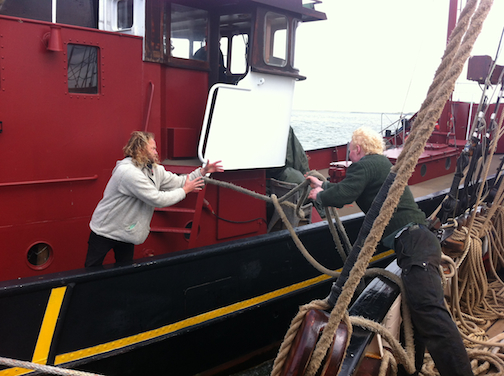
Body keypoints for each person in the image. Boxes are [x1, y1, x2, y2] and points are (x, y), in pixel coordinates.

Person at [306, 126, 473, 376]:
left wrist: (319, 195)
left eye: (350, 148)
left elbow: (345, 195)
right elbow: (351, 188)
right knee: (424, 314)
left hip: (414, 244)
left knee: (431, 317)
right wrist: (325, 184)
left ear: (357, 148)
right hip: (419, 242)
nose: (349, 153)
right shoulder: (381, 165)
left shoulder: (363, 165)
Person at [85, 131, 224, 267]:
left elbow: (178, 182)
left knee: (124, 271)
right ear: (140, 150)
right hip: (105, 231)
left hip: (126, 232)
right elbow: (157, 199)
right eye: (152, 148)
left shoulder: (154, 170)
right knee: (91, 271)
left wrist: (202, 172)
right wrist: (185, 191)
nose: (156, 152)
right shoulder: (128, 172)